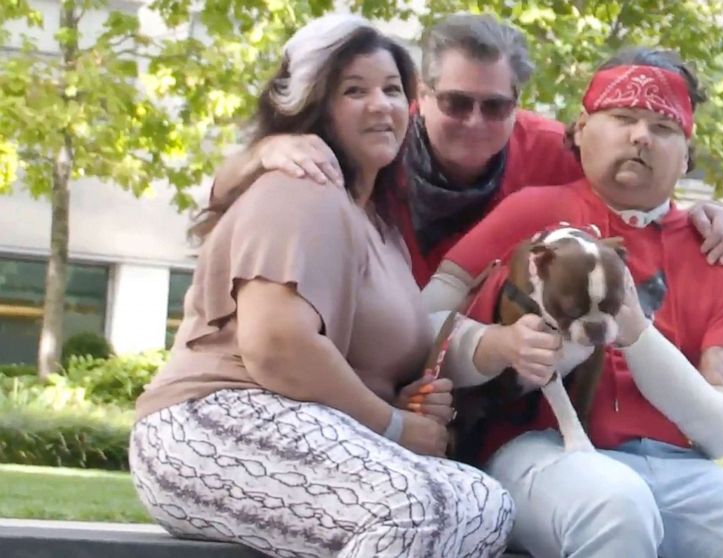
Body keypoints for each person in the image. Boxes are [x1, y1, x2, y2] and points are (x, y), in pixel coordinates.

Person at [425, 47, 723, 558]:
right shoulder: (531, 210)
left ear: (687, 152)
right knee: (616, 504)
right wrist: (498, 344)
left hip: (681, 467)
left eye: (664, 125)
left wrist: (633, 330)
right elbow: (425, 322)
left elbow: (722, 432)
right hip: (540, 450)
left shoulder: (717, 252)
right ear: (581, 129)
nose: (640, 136)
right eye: (623, 117)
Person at [129, 14, 513, 558]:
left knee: (483, 502)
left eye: (392, 89)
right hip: (209, 425)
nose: (380, 105)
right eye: (353, 91)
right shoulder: (302, 185)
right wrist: (394, 426)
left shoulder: (380, 227)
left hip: (300, 428)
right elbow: (279, 347)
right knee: (421, 506)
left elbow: (345, 364)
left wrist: (399, 396)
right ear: (315, 103)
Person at [209, 13, 723, 291]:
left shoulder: (555, 153)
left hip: (483, 367)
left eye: (494, 107)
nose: (473, 122)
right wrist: (269, 150)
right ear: (422, 94)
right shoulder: (374, 136)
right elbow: (225, 193)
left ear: (519, 103)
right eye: (455, 102)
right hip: (362, 342)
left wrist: (706, 216)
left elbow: (635, 197)